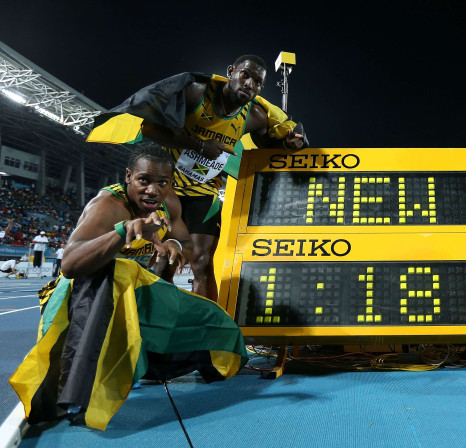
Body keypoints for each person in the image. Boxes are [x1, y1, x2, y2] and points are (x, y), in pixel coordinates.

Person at [10, 146, 248, 430]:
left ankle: (157, 363)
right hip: (85, 295)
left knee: (218, 323)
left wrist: (173, 244)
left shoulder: (167, 201)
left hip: (134, 289)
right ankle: (77, 392)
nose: (152, 190)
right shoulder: (108, 206)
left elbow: (181, 235)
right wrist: (122, 232)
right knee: (117, 270)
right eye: (144, 180)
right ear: (128, 177)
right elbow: (70, 266)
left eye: (162, 182)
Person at [87, 54, 307, 302]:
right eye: (245, 75)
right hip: (168, 189)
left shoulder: (254, 116)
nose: (249, 84)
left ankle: (208, 335)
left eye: (257, 82)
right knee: (164, 261)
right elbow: (149, 128)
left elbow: (267, 148)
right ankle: (152, 324)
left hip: (204, 193)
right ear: (231, 71)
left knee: (202, 263)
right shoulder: (196, 92)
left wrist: (287, 145)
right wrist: (199, 145)